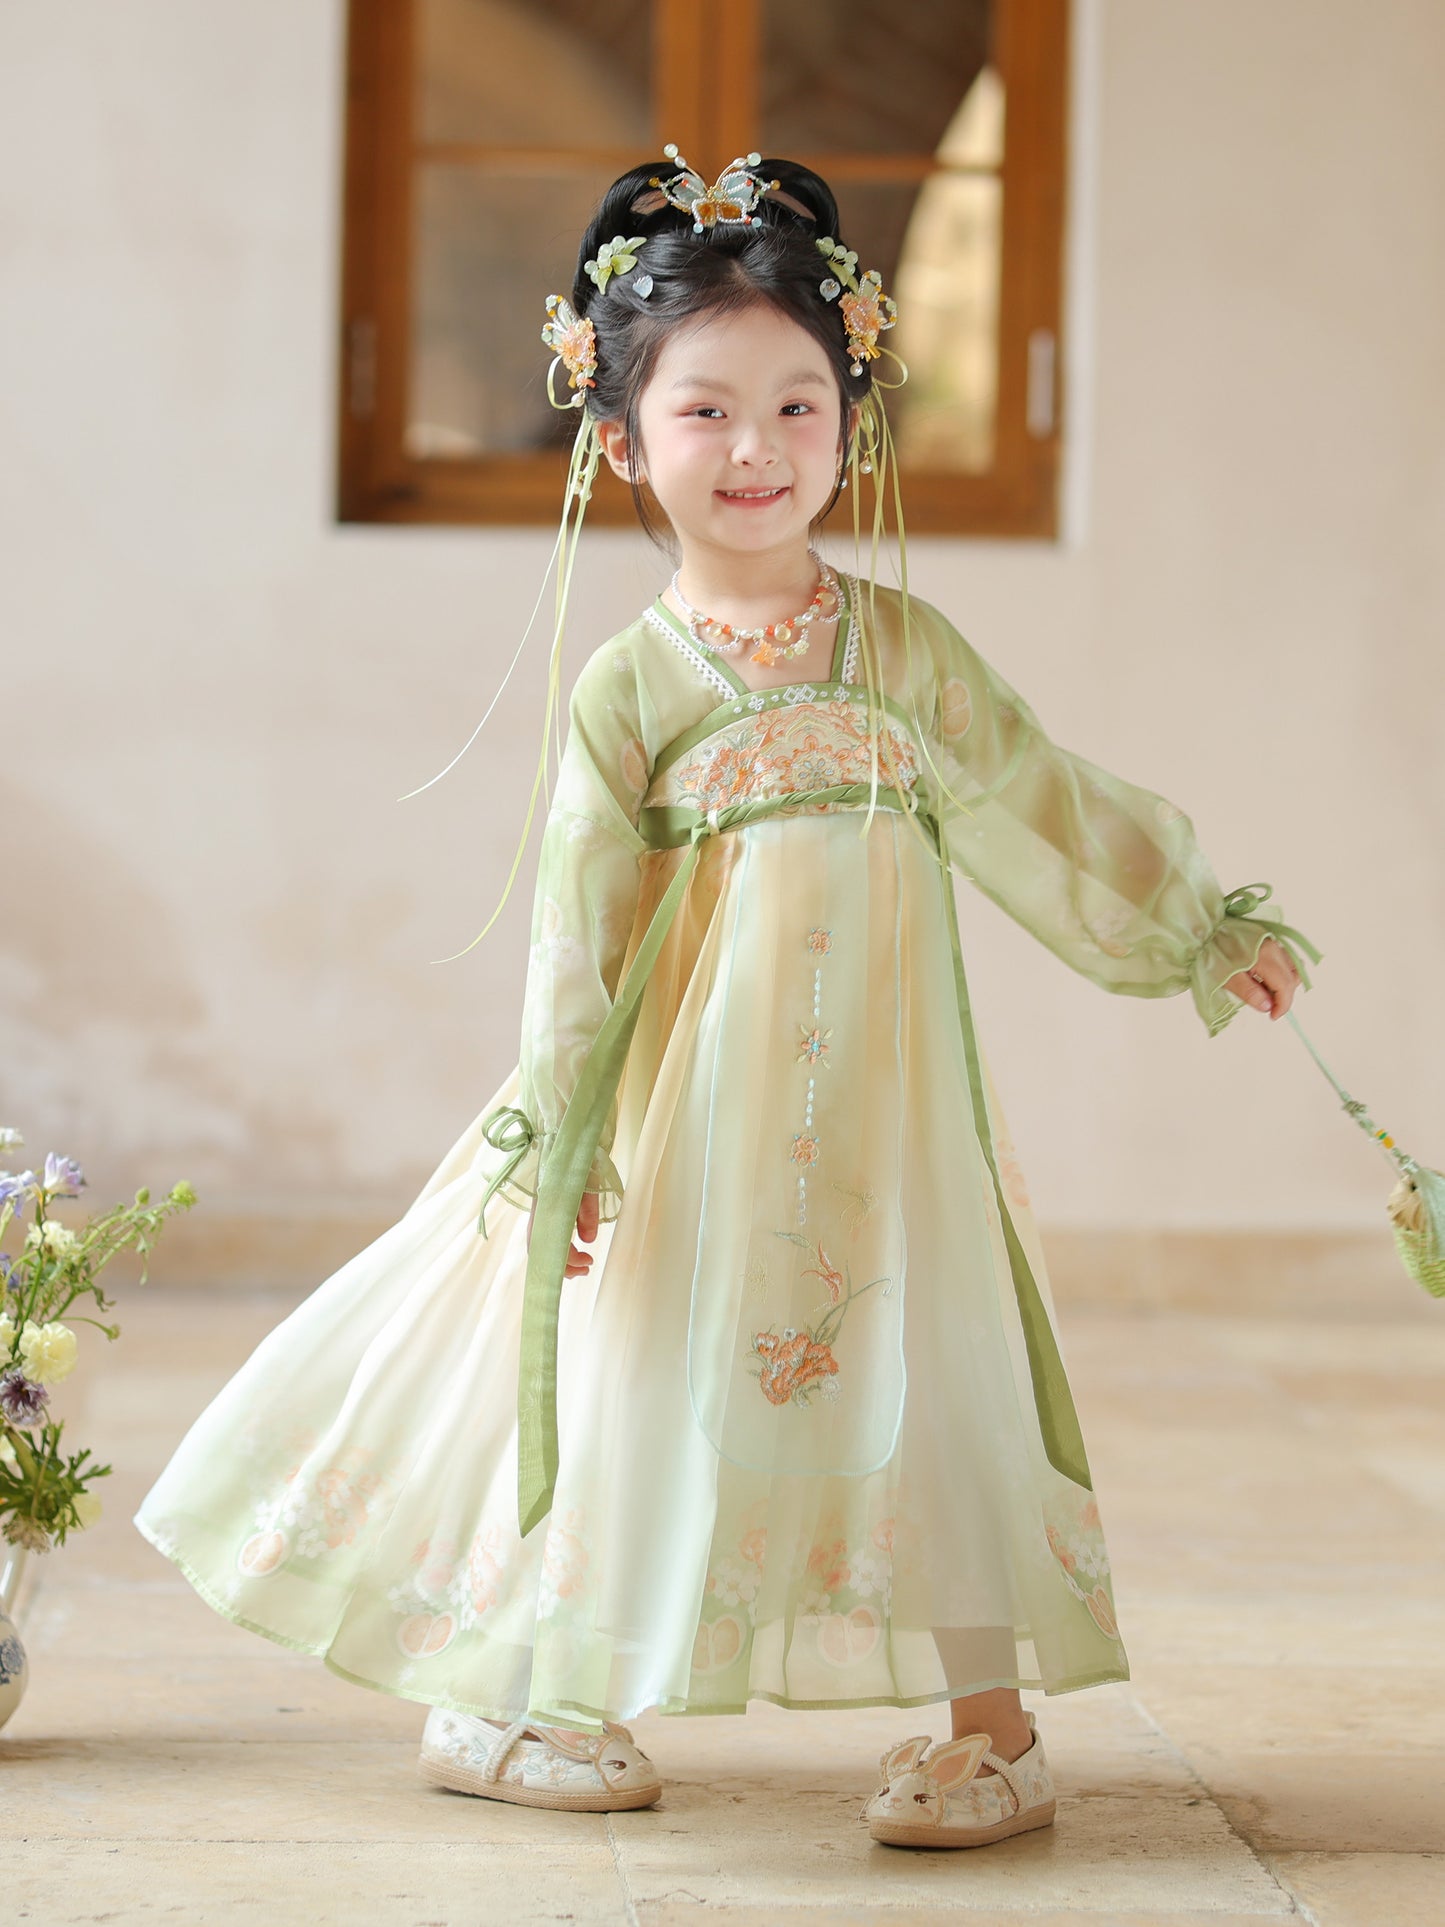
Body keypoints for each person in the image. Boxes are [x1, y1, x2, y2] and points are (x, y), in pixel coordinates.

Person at [134, 150, 1318, 1849]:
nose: (756, 447)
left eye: (795, 405)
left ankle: (992, 1732)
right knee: (641, 1366)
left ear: (850, 424)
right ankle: (542, 1695)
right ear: (621, 440)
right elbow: (579, 930)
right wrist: (572, 1137)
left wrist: (1197, 928)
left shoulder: (905, 652)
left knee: (934, 1363)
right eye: (705, 411)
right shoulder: (634, 685)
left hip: (886, 1119)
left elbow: (1041, 802)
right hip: (685, 1111)